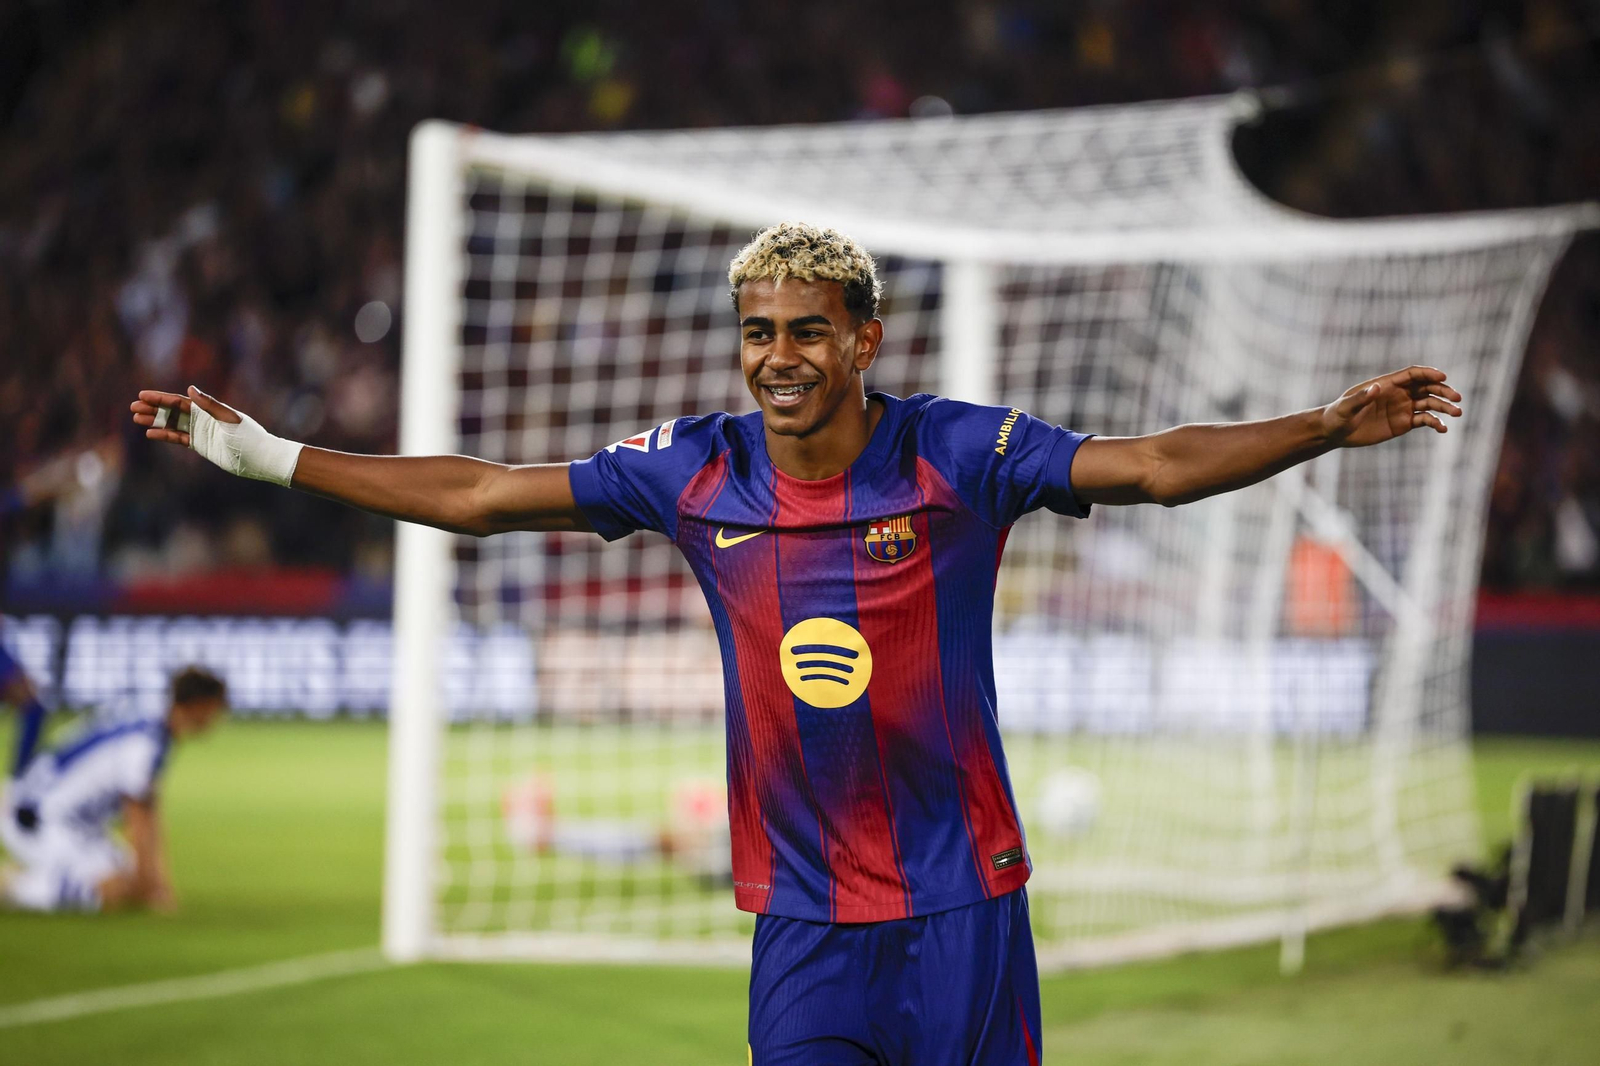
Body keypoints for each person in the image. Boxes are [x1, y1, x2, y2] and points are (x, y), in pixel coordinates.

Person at [129, 221, 1462, 1064]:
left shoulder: (955, 452)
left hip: (961, 900)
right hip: (806, 917)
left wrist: (1324, 425)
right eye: (758, 332)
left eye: (807, 332)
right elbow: (482, 496)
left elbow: (1158, 466)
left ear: (864, 339)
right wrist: (272, 455)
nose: (778, 356)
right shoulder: (693, 472)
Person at [1, 665, 227, 913]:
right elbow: (139, 820)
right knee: (113, 890)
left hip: (67, 817)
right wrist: (153, 891)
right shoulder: (145, 743)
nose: (218, 717)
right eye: (216, 708)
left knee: (130, 878)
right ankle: (12, 885)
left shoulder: (146, 717)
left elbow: (148, 812)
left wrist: (151, 882)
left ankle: (45, 875)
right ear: (199, 705)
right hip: (36, 817)